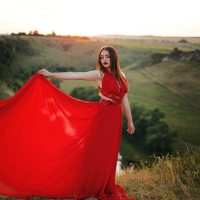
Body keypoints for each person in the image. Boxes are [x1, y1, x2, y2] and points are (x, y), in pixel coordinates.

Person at [0, 46, 135, 200]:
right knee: (95, 152)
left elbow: (124, 98)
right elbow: (74, 75)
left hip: (115, 118)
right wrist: (51, 75)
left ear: (114, 58)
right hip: (102, 117)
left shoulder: (122, 76)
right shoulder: (99, 74)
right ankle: (88, 185)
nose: (104, 60)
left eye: (107, 57)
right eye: (102, 57)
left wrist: (130, 121)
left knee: (109, 153)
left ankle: (103, 184)